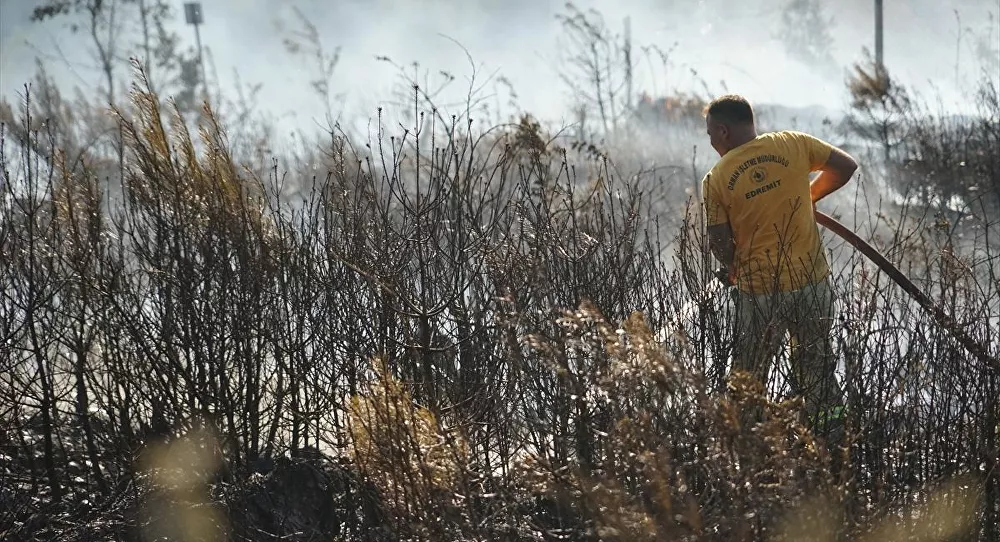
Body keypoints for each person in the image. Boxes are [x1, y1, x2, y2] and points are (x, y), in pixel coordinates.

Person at [699, 94, 858, 445]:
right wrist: (808, 196)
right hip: (812, 284)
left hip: (759, 296)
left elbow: (720, 242)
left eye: (710, 133)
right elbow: (845, 166)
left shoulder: (717, 178)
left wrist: (730, 268)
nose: (710, 141)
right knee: (816, 368)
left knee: (749, 379)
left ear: (723, 131)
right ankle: (830, 444)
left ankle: (748, 449)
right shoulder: (793, 143)